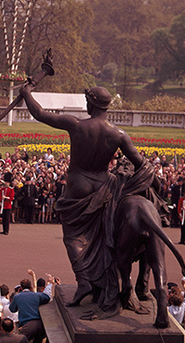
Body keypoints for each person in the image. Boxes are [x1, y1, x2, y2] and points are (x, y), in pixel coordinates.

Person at [19, 83, 154, 315]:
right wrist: (155, 183)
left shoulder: (76, 124)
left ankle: (85, 282)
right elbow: (141, 164)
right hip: (104, 185)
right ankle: (104, 283)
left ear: (90, 103)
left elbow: (39, 113)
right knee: (102, 237)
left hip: (78, 185)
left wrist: (26, 94)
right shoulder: (119, 134)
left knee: (73, 237)